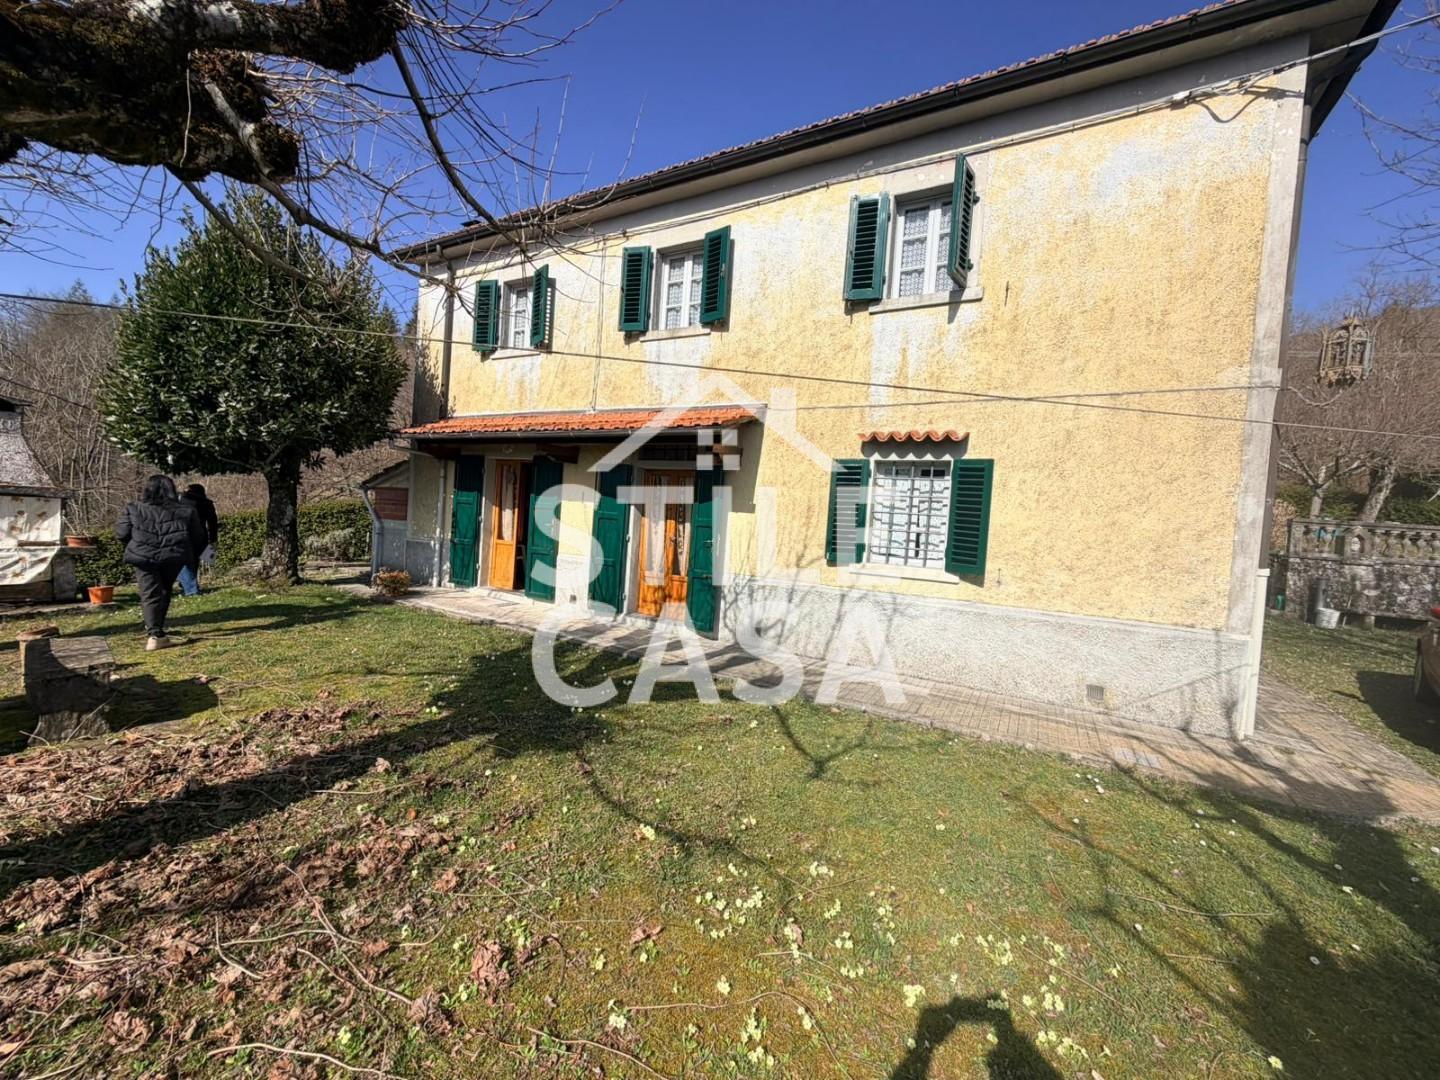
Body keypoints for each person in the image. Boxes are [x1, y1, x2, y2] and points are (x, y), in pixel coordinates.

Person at [116, 475, 207, 651]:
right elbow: (198, 536)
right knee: (165, 590)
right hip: (173, 556)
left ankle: (154, 633)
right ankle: (158, 631)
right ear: (172, 490)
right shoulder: (186, 510)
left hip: (143, 556)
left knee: (149, 593)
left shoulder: (133, 508)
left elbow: (121, 533)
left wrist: (136, 544)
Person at [178, 483, 219, 596]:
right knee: (195, 561)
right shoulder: (207, 503)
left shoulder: (182, 502)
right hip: (201, 534)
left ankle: (189, 586)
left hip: (183, 534)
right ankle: (190, 584)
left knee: (184, 561)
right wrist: (213, 539)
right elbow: (212, 523)